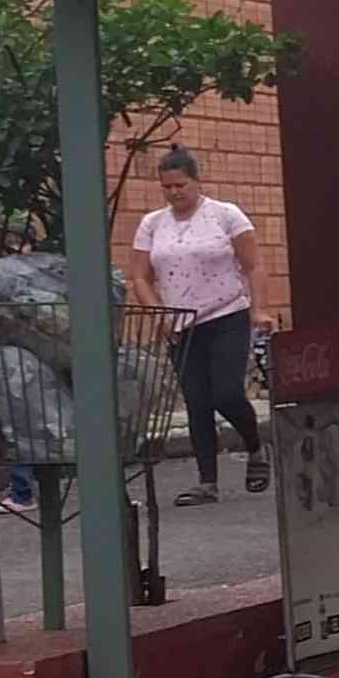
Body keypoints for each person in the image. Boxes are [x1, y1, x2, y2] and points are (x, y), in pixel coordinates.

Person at [128, 148, 270, 507]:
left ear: (196, 181)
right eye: (167, 187)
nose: (174, 192)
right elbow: (140, 277)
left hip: (226, 315)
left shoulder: (225, 215)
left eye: (181, 185)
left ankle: (255, 446)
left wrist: (259, 310)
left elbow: (253, 265)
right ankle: (207, 481)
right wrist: (159, 314)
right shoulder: (152, 224)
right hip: (180, 325)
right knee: (197, 400)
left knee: (226, 393)